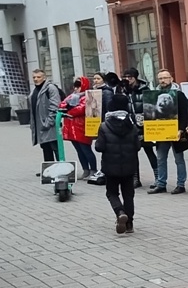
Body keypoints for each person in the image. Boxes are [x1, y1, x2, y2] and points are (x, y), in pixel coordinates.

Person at [95, 91, 142, 234]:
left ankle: (120, 212)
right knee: (129, 194)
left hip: (111, 167)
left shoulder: (104, 126)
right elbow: (138, 147)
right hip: (129, 167)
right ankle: (129, 225)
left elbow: (99, 147)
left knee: (112, 193)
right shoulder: (132, 126)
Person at [150, 69, 188, 194]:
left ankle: (181, 184)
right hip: (161, 132)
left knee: (179, 159)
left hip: (176, 131)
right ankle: (161, 184)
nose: (162, 80)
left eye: (165, 78)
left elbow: (185, 113)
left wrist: (181, 130)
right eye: (160, 78)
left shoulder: (179, 94)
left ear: (171, 79)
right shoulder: (154, 95)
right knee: (161, 158)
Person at [120, 67, 156, 188]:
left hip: (144, 126)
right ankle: (135, 179)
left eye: (130, 77)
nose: (127, 80)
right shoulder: (123, 90)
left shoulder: (144, 89)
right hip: (129, 126)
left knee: (149, 150)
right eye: (125, 77)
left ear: (135, 78)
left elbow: (151, 106)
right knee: (132, 154)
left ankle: (158, 177)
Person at [59, 76, 98, 179]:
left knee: (86, 149)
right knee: (79, 151)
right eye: (75, 86)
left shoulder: (88, 96)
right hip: (71, 128)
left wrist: (68, 111)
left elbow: (80, 109)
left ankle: (93, 170)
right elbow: (61, 105)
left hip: (82, 127)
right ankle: (86, 170)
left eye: (78, 86)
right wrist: (67, 109)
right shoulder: (73, 96)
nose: (76, 88)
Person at [29, 69, 64, 165]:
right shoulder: (35, 90)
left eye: (38, 77)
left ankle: (62, 169)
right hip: (40, 125)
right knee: (45, 148)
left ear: (44, 77)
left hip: (50, 125)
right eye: (34, 77)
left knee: (56, 148)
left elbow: (55, 105)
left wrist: (49, 122)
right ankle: (49, 169)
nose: (36, 79)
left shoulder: (50, 88)